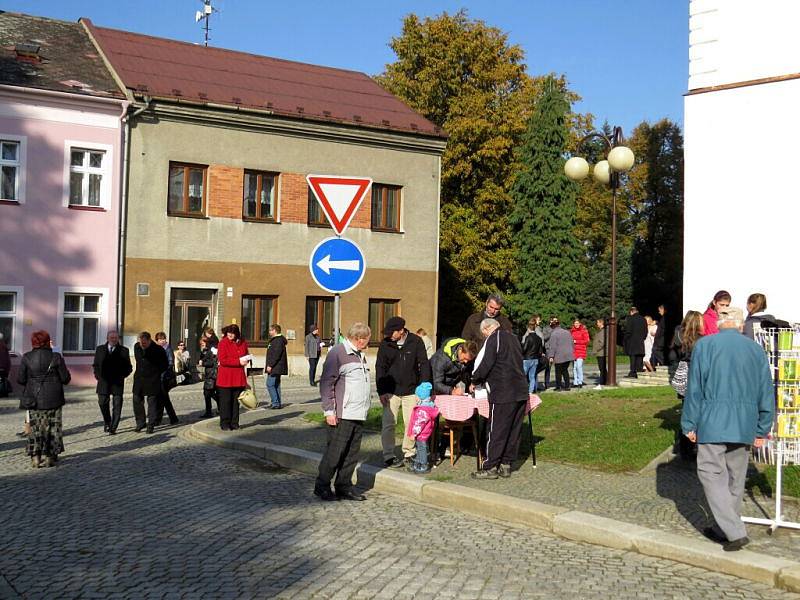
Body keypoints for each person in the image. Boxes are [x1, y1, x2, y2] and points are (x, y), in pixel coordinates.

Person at [681, 306, 774, 551]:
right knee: (735, 478)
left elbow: (695, 389)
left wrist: (689, 422)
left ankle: (733, 530)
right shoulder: (755, 349)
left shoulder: (705, 346)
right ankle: (725, 527)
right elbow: (766, 390)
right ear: (741, 324)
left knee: (711, 473)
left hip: (712, 419)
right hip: (745, 422)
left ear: (719, 323)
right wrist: (762, 428)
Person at [313, 322, 372, 502]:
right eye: (366, 340)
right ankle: (322, 486)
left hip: (358, 412)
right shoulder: (338, 353)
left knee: (351, 453)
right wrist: (329, 411)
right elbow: (327, 383)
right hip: (342, 413)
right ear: (358, 339)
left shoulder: (359, 355)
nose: (368, 343)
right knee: (335, 453)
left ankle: (344, 486)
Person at [470, 318, 529, 479]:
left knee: (497, 430)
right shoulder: (514, 338)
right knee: (513, 430)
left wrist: (475, 380)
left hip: (503, 391)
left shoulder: (494, 339)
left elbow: (485, 364)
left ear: (488, 329)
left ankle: (490, 467)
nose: (484, 337)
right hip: (521, 390)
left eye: (484, 334)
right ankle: (506, 464)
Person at [377, 316, 432, 469]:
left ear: (401, 331)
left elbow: (424, 364)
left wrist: (423, 387)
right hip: (390, 391)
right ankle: (388, 455)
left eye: (391, 332)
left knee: (411, 424)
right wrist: (382, 391)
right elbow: (380, 367)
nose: (388, 335)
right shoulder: (385, 344)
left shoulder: (416, 341)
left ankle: (409, 453)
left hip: (411, 390)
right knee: (388, 424)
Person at [17, 330, 70, 468]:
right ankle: (50, 457)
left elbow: (21, 379)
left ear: (33, 342)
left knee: (36, 428)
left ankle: (35, 457)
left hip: (34, 399)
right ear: (47, 341)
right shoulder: (56, 357)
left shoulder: (27, 357)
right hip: (54, 398)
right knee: (53, 427)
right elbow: (65, 379)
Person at [670, 310, 705, 460]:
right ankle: (691, 445)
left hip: (682, 375)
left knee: (686, 409)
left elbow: (672, 357)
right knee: (696, 412)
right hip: (695, 377)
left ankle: (684, 445)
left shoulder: (678, 336)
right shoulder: (701, 340)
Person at [92, 330, 132, 435]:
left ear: (118, 339)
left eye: (115, 338)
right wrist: (97, 376)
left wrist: (122, 376)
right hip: (103, 382)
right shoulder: (100, 349)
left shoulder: (124, 350)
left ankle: (113, 427)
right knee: (102, 403)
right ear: (107, 338)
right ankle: (107, 421)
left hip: (117, 383)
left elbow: (129, 367)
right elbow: (96, 365)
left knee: (117, 405)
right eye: (112, 338)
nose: (114, 339)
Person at [132, 331, 169, 434]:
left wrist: (156, 373)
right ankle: (140, 422)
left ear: (149, 340)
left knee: (152, 403)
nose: (142, 344)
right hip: (139, 379)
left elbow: (165, 364)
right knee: (136, 400)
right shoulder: (137, 347)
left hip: (152, 379)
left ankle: (151, 424)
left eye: (144, 343)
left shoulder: (158, 349)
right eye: (141, 342)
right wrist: (143, 348)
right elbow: (139, 358)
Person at [216, 324, 250, 430]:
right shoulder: (223, 343)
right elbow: (223, 360)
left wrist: (247, 359)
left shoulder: (243, 342)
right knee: (226, 402)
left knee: (236, 403)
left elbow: (246, 354)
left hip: (238, 378)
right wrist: (238, 362)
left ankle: (234, 423)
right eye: (229, 332)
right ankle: (225, 423)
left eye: (233, 333)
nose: (230, 335)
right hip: (226, 378)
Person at [406, 382, 438, 474]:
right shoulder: (428, 406)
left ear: (421, 396)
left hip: (421, 433)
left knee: (421, 448)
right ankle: (418, 462)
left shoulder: (422, 410)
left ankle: (424, 464)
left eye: (416, 395)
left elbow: (419, 424)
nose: (415, 397)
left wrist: (413, 433)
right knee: (420, 447)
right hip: (425, 432)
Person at [154, 332, 179, 425]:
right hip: (159, 377)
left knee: (163, 398)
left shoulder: (167, 349)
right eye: (160, 339)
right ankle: (163, 418)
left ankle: (171, 418)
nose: (162, 341)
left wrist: (161, 370)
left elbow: (170, 363)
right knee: (162, 398)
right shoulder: (157, 349)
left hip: (165, 377)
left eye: (163, 339)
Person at [546, 318, 574, 391]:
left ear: (553, 326)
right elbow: (572, 343)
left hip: (559, 355)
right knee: (565, 370)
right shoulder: (567, 332)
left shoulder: (554, 334)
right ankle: (567, 386)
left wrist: (551, 356)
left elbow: (553, 346)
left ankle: (558, 387)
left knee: (558, 371)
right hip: (569, 354)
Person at [265, 324, 288, 409]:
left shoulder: (278, 340)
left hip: (275, 367)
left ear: (275, 330)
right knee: (276, 385)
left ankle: (275, 403)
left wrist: (270, 365)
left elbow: (276, 354)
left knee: (270, 384)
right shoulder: (276, 340)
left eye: (271, 330)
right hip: (277, 366)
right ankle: (277, 403)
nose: (269, 332)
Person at [521, 317, 544, 394]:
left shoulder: (528, 338)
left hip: (527, 359)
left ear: (528, 327)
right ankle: (531, 392)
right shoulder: (539, 338)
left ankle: (522, 390)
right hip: (535, 359)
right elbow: (540, 351)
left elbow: (524, 349)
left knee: (523, 376)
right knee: (532, 376)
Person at [623, 306, 647, 378]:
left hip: (632, 341)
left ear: (631, 312)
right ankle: (639, 371)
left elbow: (628, 331)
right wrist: (643, 338)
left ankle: (632, 372)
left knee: (633, 356)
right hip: (640, 341)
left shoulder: (630, 318)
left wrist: (626, 339)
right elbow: (645, 331)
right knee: (639, 356)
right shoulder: (643, 319)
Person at [198, 337, 218, 418]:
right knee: (209, 393)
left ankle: (210, 411)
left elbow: (212, 363)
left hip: (211, 375)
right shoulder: (205, 351)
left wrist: (202, 363)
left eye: (203, 343)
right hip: (209, 375)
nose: (202, 344)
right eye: (201, 343)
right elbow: (201, 359)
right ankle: (210, 411)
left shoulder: (212, 351)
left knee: (208, 393)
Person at [570, 318, 590, 388]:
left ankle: (580, 381)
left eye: (577, 323)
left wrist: (576, 342)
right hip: (574, 351)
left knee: (579, 366)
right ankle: (575, 382)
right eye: (575, 323)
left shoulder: (584, 331)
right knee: (574, 367)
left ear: (580, 324)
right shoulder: (572, 331)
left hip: (581, 351)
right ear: (573, 324)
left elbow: (587, 341)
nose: (576, 325)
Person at [537, 315, 553, 390]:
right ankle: (547, 383)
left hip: (556, 349)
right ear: (550, 321)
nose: (553, 322)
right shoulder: (545, 328)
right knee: (548, 367)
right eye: (552, 320)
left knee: (559, 368)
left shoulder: (559, 328)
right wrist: (551, 333)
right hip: (548, 349)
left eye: (555, 320)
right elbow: (544, 338)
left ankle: (559, 384)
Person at [650, 305, 668, 369]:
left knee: (655, 351)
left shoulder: (664, 318)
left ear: (663, 309)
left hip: (660, 339)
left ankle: (664, 362)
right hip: (660, 339)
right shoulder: (663, 318)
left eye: (659, 310)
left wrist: (657, 335)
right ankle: (655, 366)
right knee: (655, 352)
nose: (659, 312)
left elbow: (663, 329)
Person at [0, 332, 11, 398]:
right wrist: (7, 370)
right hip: (3, 369)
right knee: (3, 382)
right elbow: (8, 360)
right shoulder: (4, 347)